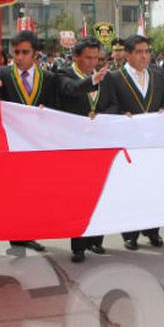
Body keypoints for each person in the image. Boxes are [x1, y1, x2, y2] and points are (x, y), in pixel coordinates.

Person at [0, 31, 64, 256]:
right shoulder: (2, 73)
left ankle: (28, 234)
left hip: (36, 143)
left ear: (35, 54)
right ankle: (16, 238)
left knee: (33, 192)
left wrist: (47, 111)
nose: (19, 57)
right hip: (11, 143)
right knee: (13, 192)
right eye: (16, 52)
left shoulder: (48, 77)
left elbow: (56, 107)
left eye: (25, 52)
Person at [55, 36, 115, 262]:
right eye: (88, 58)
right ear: (76, 57)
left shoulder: (105, 77)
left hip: (100, 144)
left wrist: (102, 116)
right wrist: (92, 80)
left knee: (101, 192)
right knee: (78, 197)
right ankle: (78, 246)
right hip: (74, 145)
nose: (93, 62)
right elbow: (70, 90)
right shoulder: (63, 74)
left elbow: (114, 103)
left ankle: (96, 240)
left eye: (96, 58)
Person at [110, 34, 164, 250]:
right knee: (131, 190)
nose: (144, 56)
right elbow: (110, 107)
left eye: (147, 51)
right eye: (139, 52)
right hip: (129, 144)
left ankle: (153, 230)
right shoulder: (115, 78)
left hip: (153, 143)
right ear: (127, 55)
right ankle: (130, 233)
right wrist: (121, 116)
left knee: (153, 188)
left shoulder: (157, 74)